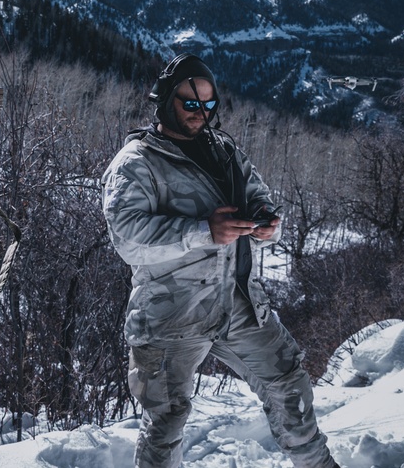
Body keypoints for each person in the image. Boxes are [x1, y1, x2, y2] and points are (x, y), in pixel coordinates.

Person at [101, 53, 339, 468]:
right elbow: (128, 239)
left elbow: (259, 197)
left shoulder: (225, 150)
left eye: (208, 105)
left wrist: (267, 225)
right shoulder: (137, 163)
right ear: (164, 102)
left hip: (238, 303)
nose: (200, 113)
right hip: (171, 314)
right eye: (190, 104)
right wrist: (202, 231)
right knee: (166, 421)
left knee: (289, 385)